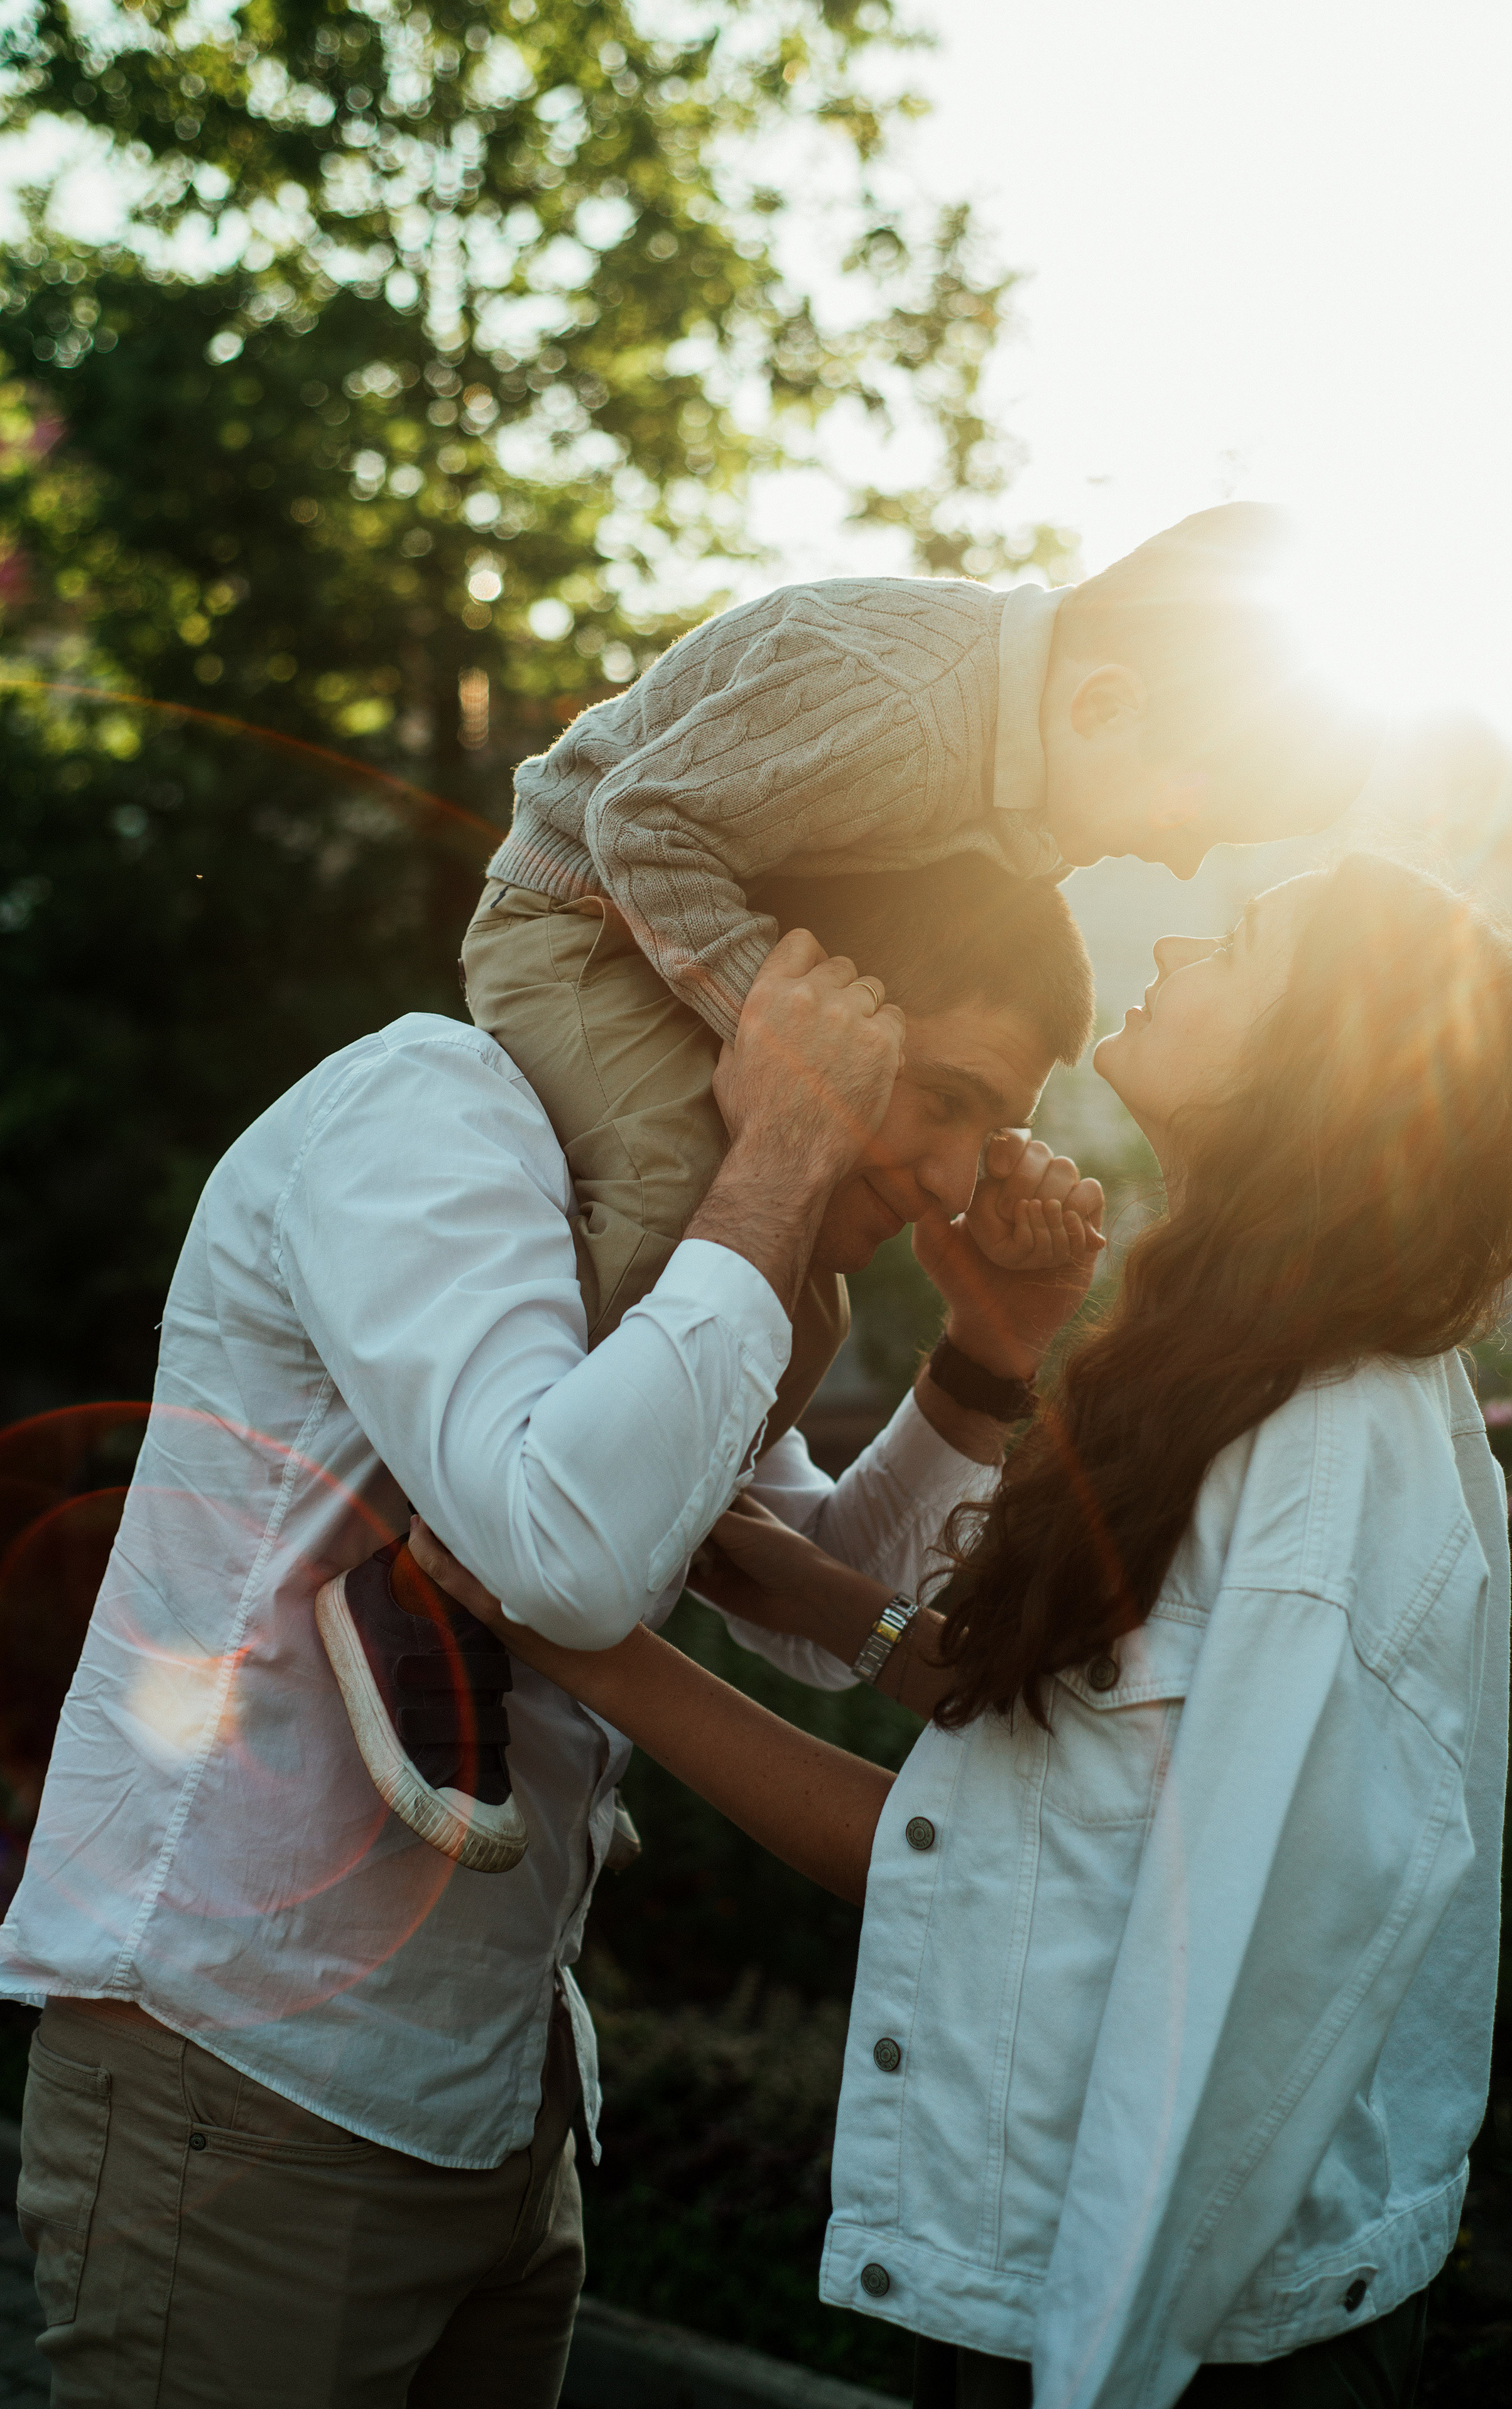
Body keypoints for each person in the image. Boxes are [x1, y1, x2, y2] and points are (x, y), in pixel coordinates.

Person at [411, 853, 1512, 2409]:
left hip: (1170, 2325)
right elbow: (1092, 1757)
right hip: (1075, 2292)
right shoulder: (1234, 1368)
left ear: (1324, 1062)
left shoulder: (1326, 1454)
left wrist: (582, 1644)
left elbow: (1159, 1938)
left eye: (1233, 942)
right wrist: (819, 1582)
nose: (1176, 941)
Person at [1, 857, 1102, 2408]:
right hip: (248, 2091)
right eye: (936, 1094)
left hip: (501, 2109)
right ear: (777, 1007)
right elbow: (563, 1557)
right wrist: (783, 1151)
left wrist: (986, 1357)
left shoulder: (731, 1267)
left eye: (989, 1130)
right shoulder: (431, 1117)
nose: (949, 1172)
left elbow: (813, 1596)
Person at [337, 508, 1378, 1854]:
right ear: (1109, 703)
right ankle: (431, 1575)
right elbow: (636, 819)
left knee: (794, 1302)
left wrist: (983, 1346)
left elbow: (833, 1606)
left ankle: (605, 1545)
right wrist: (789, 1055)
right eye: (1200, 816)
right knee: (676, 1200)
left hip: (693, 938)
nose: (1182, 860)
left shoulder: (1015, 771)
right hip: (582, 917)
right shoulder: (902, 699)